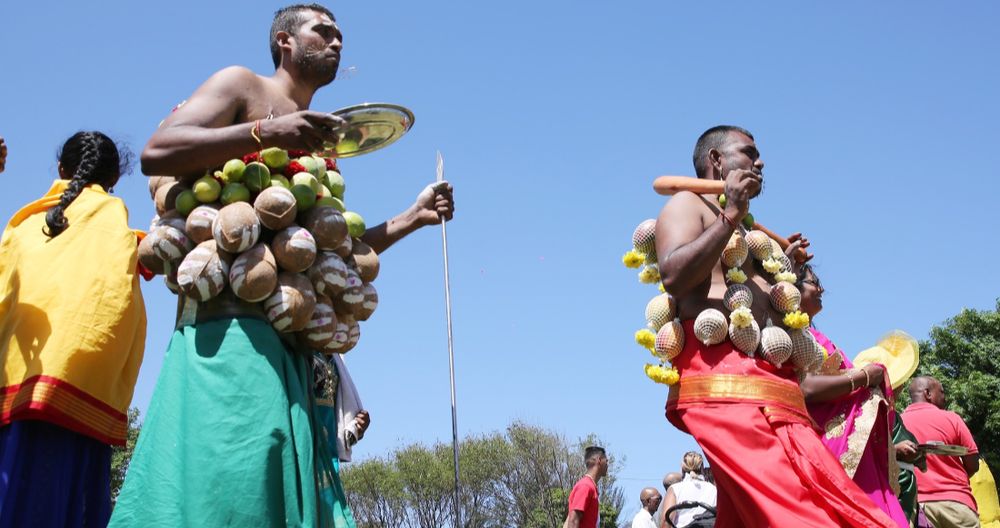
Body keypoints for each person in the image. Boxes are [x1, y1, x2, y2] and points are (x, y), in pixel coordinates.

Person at [110, 5, 454, 527]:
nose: (337, 42)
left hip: (295, 356)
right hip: (229, 339)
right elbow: (159, 151)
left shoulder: (319, 151)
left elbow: (324, 260)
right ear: (284, 42)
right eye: (324, 30)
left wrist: (411, 218)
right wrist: (270, 132)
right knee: (229, 496)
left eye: (341, 35)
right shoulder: (242, 85)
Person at [655, 125, 896, 527]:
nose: (760, 162)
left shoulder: (748, 233)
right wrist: (730, 214)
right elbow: (675, 276)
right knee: (806, 514)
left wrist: (785, 265)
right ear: (717, 161)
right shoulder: (687, 204)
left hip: (777, 393)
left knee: (806, 506)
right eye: (749, 153)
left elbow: (767, 314)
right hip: (727, 391)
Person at [0, 131, 146, 527]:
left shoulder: (22, 226)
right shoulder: (119, 226)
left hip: (18, 387)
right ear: (114, 179)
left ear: (62, 169)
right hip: (84, 391)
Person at [797, 265, 910, 527]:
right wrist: (865, 377)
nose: (821, 289)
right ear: (793, 287)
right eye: (813, 283)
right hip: (829, 449)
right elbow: (806, 388)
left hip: (856, 451)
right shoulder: (793, 336)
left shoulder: (816, 336)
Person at [903, 376, 981, 528]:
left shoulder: (897, 422)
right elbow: (973, 464)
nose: (945, 398)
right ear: (928, 393)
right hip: (956, 506)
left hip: (917, 508)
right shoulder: (952, 419)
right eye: (942, 392)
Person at [660, 452, 716, 528]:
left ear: (682, 469)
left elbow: (666, 520)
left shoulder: (675, 489)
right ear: (702, 468)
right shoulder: (713, 489)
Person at [564, 446, 607, 528]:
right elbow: (573, 521)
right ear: (599, 460)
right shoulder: (586, 486)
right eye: (606, 461)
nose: (607, 465)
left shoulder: (591, 487)